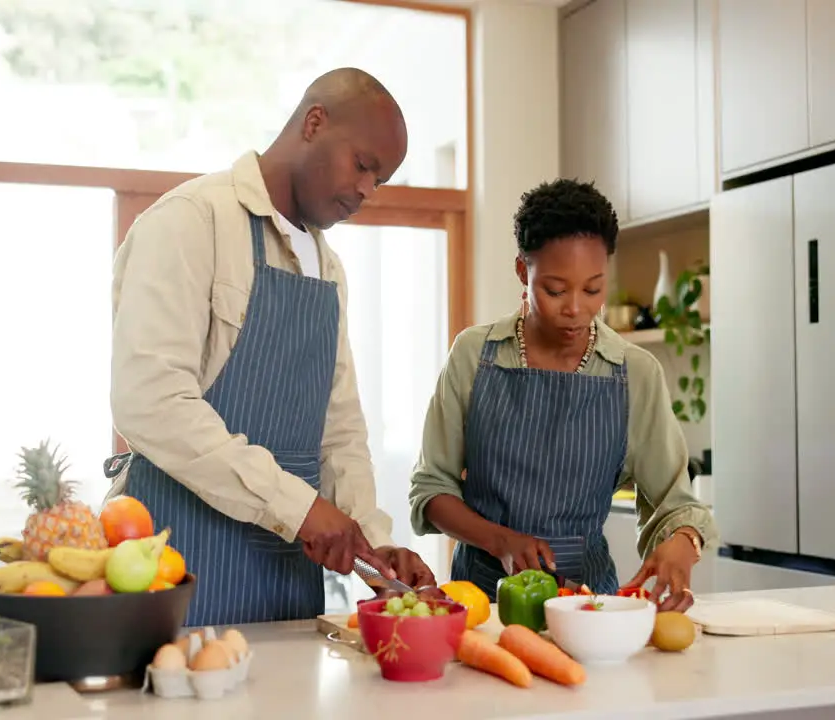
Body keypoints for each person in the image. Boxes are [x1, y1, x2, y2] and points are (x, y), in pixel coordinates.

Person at [104, 68, 435, 626]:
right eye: (363, 165)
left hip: (286, 576)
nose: (366, 192)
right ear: (313, 123)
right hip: (173, 560)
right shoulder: (190, 222)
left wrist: (375, 546)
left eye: (380, 181)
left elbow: (340, 429)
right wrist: (300, 508)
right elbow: (150, 402)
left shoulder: (328, 268)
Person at [408, 178, 718, 612]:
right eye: (555, 290)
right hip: (481, 606)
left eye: (593, 289)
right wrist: (500, 541)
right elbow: (431, 487)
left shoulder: (635, 373)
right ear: (522, 271)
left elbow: (674, 501)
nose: (575, 308)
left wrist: (682, 545)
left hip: (589, 606)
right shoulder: (474, 355)